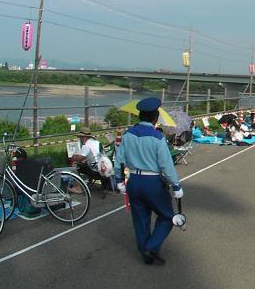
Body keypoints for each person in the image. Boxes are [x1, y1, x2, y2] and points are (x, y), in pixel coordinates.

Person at [114, 97, 183, 265]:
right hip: (153, 182)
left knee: (140, 219)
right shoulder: (157, 137)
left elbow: (119, 160)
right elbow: (166, 165)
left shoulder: (128, 134)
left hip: (134, 181)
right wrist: (176, 185)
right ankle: (151, 246)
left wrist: (119, 180)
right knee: (167, 216)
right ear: (156, 117)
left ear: (140, 115)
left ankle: (145, 253)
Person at [71, 127, 113, 193]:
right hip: (105, 167)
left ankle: (78, 187)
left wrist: (73, 157)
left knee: (76, 165)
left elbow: (80, 158)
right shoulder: (97, 142)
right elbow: (95, 155)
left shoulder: (86, 145)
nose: (80, 139)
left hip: (96, 170)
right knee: (87, 164)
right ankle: (90, 183)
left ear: (83, 137)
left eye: (80, 137)